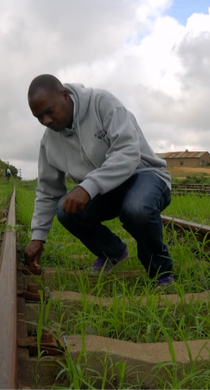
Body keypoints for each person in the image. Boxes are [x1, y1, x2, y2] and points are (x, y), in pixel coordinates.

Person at [23, 74, 174, 286]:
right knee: (65, 211)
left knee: (137, 208)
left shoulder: (102, 103)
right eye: (39, 117)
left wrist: (88, 186)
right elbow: (48, 191)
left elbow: (128, 152)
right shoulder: (49, 141)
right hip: (106, 192)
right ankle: (113, 253)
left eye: (49, 111)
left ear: (64, 96)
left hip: (144, 175)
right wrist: (38, 236)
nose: (45, 121)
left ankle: (161, 273)